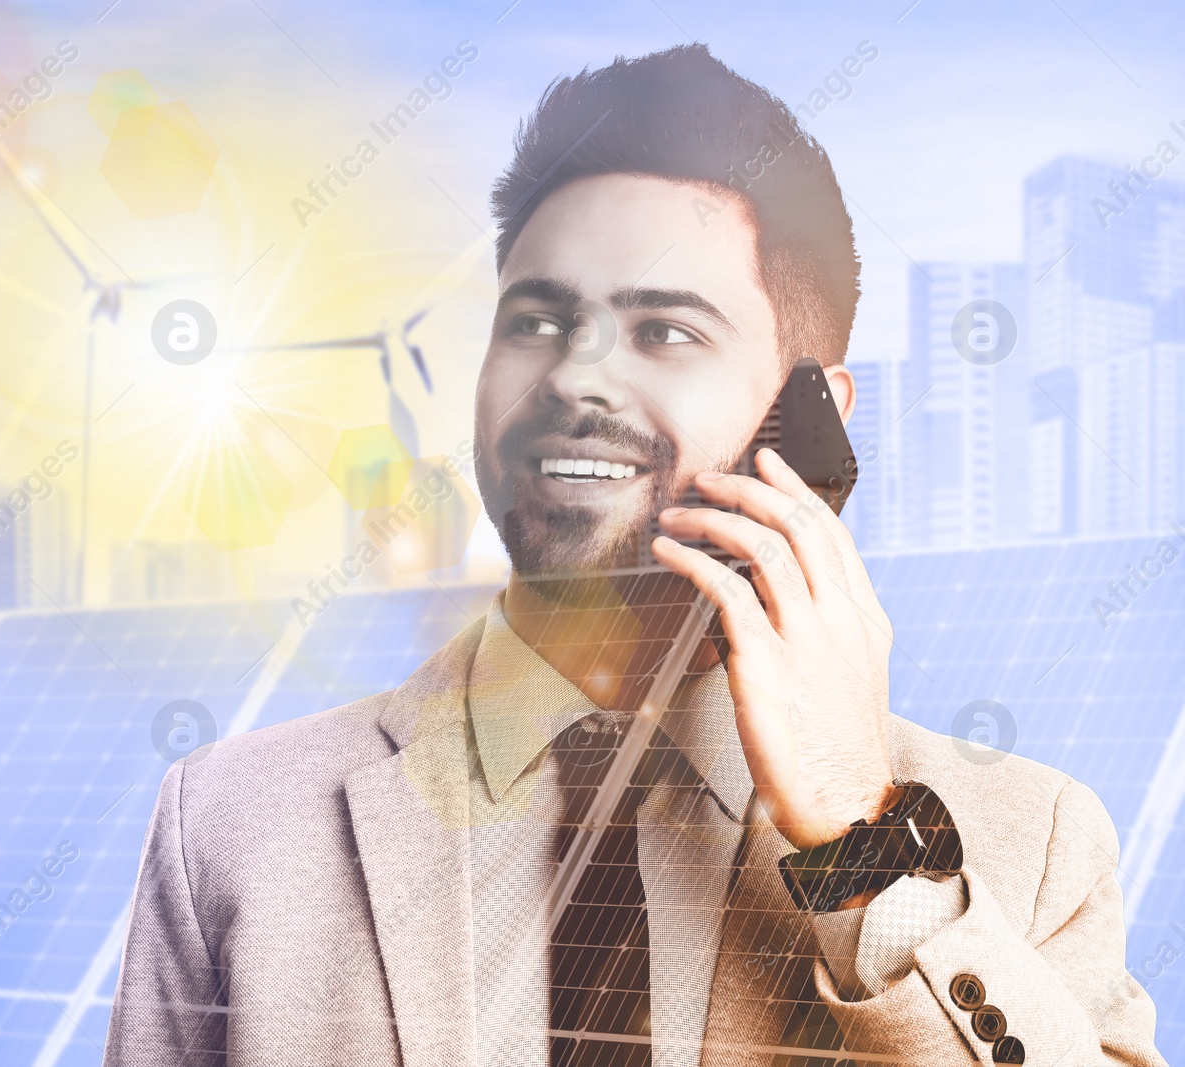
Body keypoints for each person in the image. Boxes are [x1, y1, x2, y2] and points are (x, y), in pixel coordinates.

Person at [104, 44, 1164, 1067]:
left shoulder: (1034, 841)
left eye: (665, 332)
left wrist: (859, 839)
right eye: (536, 319)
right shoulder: (235, 821)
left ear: (810, 416)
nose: (573, 378)